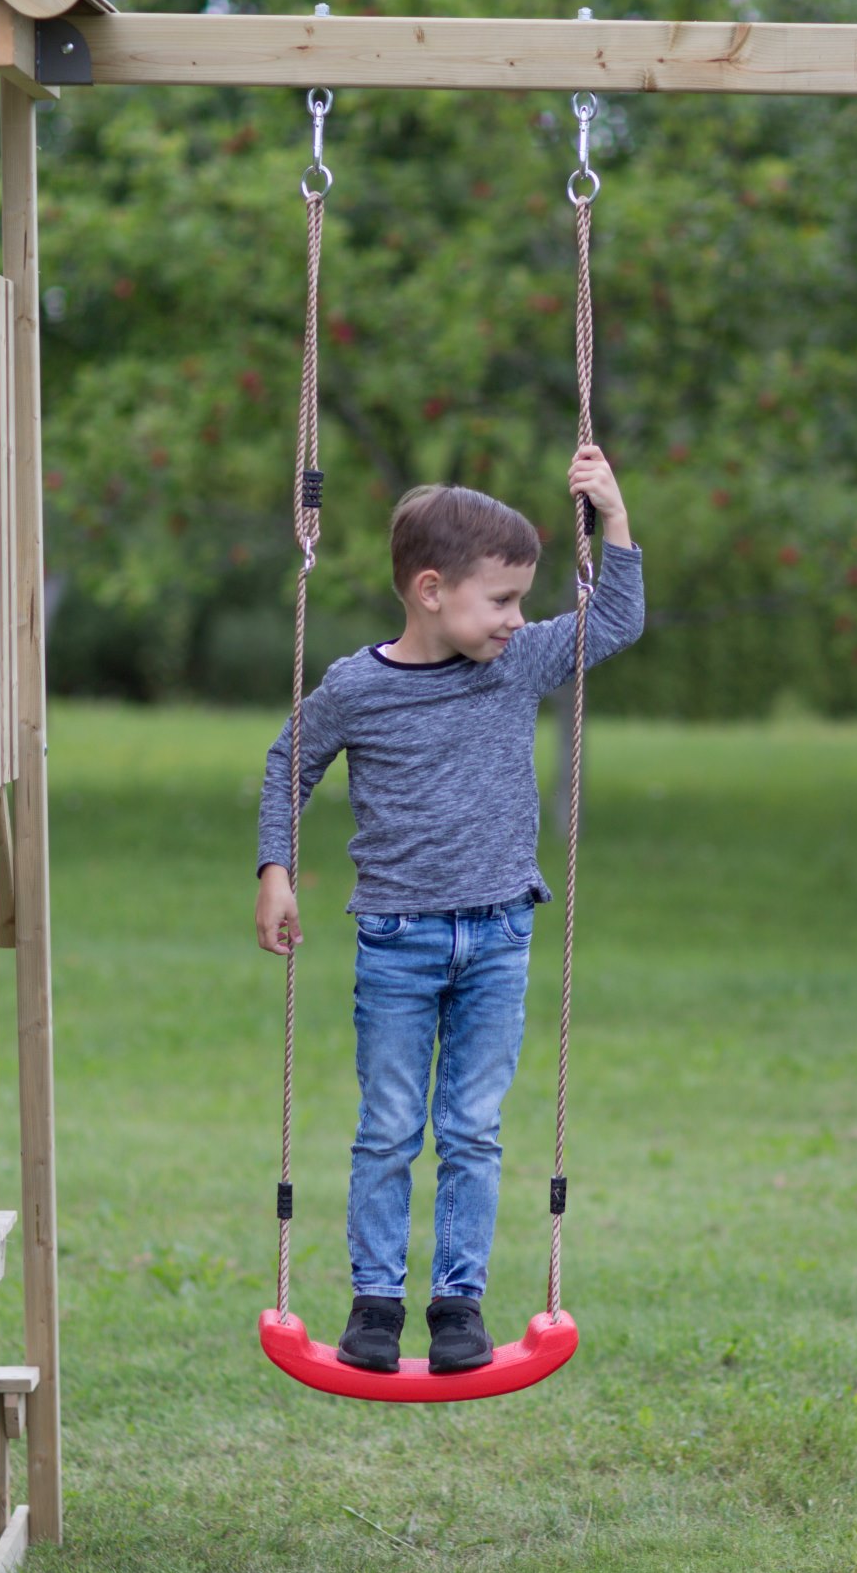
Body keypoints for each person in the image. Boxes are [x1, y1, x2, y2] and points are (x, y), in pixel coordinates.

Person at [256, 448, 644, 1373]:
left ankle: (458, 1304)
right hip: (398, 941)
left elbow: (620, 619)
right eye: (502, 599)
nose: (518, 620)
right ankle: (376, 1306)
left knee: (472, 1128)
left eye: (522, 601)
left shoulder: (514, 665)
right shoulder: (357, 687)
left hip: (500, 934)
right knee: (389, 1125)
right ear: (430, 590)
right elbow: (287, 763)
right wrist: (276, 868)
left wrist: (615, 519)